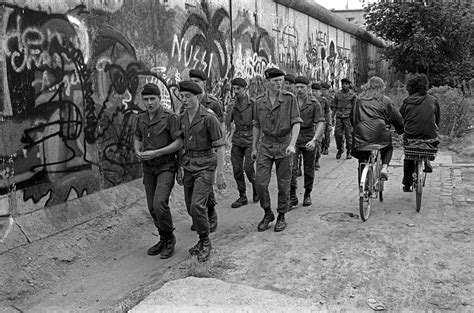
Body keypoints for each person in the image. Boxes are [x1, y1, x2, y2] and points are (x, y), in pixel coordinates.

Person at [176, 80, 226, 262]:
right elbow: (180, 145)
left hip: (205, 164)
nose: (184, 100)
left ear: (197, 97)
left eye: (188, 97)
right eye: (182, 97)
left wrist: (220, 173)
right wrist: (179, 168)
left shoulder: (209, 118)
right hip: (188, 164)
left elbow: (220, 146)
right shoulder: (181, 117)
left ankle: (205, 242)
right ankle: (201, 239)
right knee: (190, 207)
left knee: (197, 205)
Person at [134, 83, 183, 259]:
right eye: (146, 99)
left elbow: (179, 142)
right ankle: (162, 238)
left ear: (159, 99)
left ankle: (170, 238)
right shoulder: (141, 118)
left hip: (166, 166)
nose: (149, 103)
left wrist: (157, 152)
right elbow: (137, 136)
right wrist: (137, 150)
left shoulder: (170, 117)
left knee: (159, 204)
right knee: (152, 208)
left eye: (152, 99)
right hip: (148, 168)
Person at [252, 68, 302, 232]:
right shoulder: (259, 101)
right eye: (275, 81)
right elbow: (257, 125)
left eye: (281, 80)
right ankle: (267, 212)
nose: (279, 84)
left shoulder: (289, 98)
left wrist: (292, 143)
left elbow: (296, 122)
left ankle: (282, 215)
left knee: (284, 184)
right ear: (268, 82)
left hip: (284, 143)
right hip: (266, 145)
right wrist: (254, 147)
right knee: (260, 182)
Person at [188, 69, 224, 232]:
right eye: (191, 80)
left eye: (197, 81)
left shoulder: (213, 103)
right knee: (202, 187)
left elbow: (220, 125)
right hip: (192, 154)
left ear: (204, 83)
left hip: (209, 151)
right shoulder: (186, 103)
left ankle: (210, 213)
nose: (194, 83)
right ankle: (203, 213)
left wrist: (219, 149)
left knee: (205, 183)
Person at [350, 77, 404, 182]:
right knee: (388, 148)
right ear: (381, 87)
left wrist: (357, 128)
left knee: (363, 158)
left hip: (362, 135)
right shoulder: (385, 100)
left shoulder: (358, 100)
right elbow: (396, 118)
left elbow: (352, 117)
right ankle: (384, 167)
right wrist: (400, 130)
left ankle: (363, 187)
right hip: (380, 133)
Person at [399, 73, 440, 192]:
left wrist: (401, 130)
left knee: (408, 155)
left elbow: (401, 119)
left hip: (411, 136)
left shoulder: (406, 102)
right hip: (430, 136)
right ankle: (426, 161)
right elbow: (437, 119)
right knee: (427, 143)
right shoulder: (433, 100)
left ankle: (407, 184)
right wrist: (435, 129)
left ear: (410, 87)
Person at [290, 76, 325, 208]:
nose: (299, 90)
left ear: (308, 88)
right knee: (291, 167)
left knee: (308, 168)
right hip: (294, 138)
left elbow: (320, 122)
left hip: (309, 136)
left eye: (302, 87)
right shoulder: (290, 101)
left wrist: (315, 140)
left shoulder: (314, 103)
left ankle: (307, 193)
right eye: (297, 87)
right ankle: (292, 195)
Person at [225, 77, 259, 208]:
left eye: (238, 89)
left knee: (248, 168)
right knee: (237, 169)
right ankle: (242, 196)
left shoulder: (253, 103)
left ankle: (256, 187)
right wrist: (230, 109)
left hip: (250, 138)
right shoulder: (232, 103)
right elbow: (228, 123)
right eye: (234, 89)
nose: (236, 91)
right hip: (238, 139)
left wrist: (257, 143)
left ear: (245, 89)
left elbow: (258, 123)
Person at [332, 78, 356, 159]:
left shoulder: (353, 95)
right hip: (339, 117)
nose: (344, 85)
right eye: (343, 84)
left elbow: (355, 107)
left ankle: (349, 151)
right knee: (337, 134)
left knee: (349, 135)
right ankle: (340, 149)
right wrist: (332, 116)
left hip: (348, 117)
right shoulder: (337, 94)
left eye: (346, 84)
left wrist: (355, 118)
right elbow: (334, 106)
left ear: (349, 85)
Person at [320, 82, 333, 155]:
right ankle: (322, 146)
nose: (323, 91)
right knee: (321, 134)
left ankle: (326, 147)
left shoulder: (331, 99)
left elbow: (333, 109)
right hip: (321, 118)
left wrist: (331, 120)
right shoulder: (319, 98)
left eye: (325, 90)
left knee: (327, 134)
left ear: (328, 90)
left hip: (328, 118)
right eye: (322, 89)